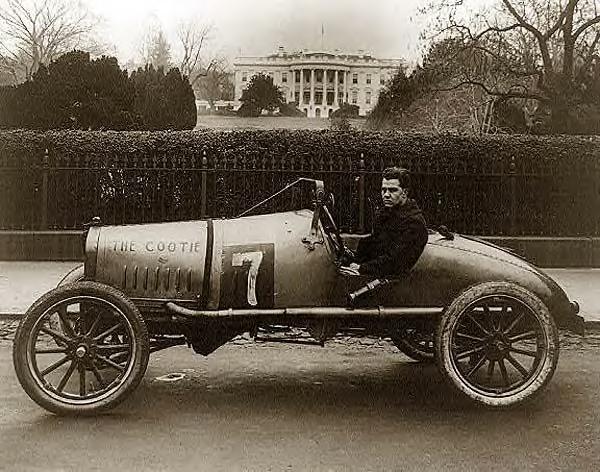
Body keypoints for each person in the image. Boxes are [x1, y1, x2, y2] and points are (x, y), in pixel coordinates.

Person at [340, 167, 428, 277]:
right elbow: (375, 244)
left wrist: (361, 268)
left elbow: (395, 260)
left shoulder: (414, 223)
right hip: (376, 271)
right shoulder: (388, 213)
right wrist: (352, 258)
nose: (386, 194)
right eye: (383, 190)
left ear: (405, 192)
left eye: (392, 190)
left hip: (390, 281)